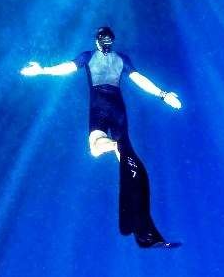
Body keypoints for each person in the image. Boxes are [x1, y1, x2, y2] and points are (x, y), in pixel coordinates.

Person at [20, 26, 182, 248]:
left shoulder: (88, 56)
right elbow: (139, 79)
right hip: (119, 108)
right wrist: (163, 94)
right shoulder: (121, 59)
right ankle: (145, 231)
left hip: (100, 106)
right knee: (129, 163)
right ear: (110, 41)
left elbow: (67, 68)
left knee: (96, 148)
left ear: (97, 41)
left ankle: (115, 146)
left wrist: (42, 70)